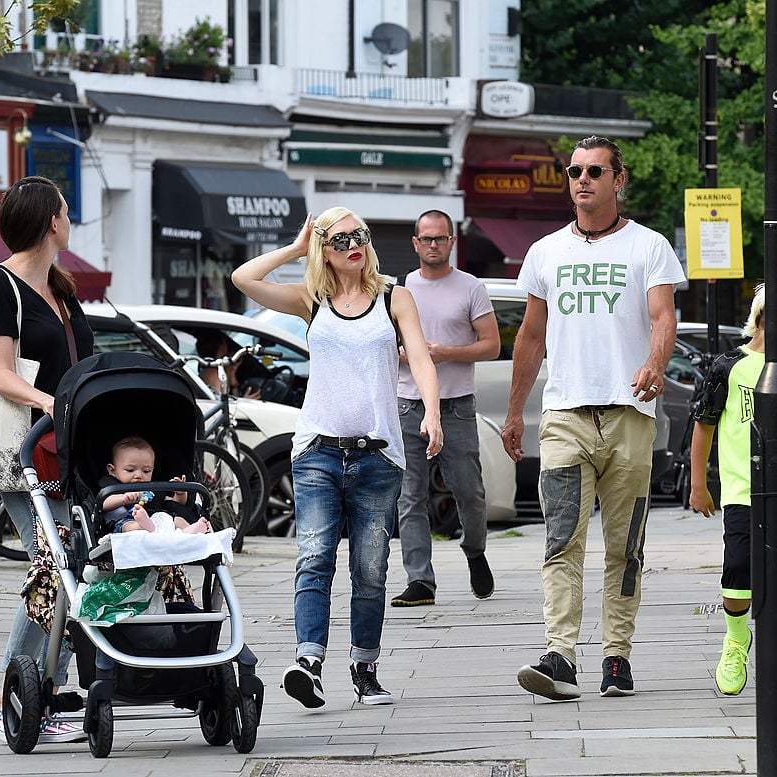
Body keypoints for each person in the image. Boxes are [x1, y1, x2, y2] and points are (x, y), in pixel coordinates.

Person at [231, 206, 443, 708]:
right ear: (323, 248)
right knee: (314, 559)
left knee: (370, 570)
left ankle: (365, 669)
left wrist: (431, 413)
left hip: (378, 456)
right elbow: (243, 278)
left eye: (360, 235)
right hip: (317, 453)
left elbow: (421, 359)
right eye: (341, 238)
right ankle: (309, 663)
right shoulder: (312, 299)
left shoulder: (397, 298)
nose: (354, 244)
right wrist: (296, 243)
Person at [501, 135, 686, 701]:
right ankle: (559, 655)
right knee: (561, 540)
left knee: (624, 546)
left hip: (629, 415)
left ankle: (616, 658)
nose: (582, 179)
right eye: (574, 171)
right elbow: (531, 337)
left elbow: (662, 316)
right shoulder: (545, 251)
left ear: (618, 180)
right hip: (564, 416)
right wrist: (514, 413)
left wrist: (656, 362)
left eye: (595, 171)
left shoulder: (648, 246)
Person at [0, 176, 94, 744]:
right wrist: (55, 403)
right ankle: (12, 699)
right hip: (25, 450)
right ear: (52, 222)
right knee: (55, 562)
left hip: (68, 448)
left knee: (75, 563)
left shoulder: (61, 289)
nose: (70, 220)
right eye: (66, 211)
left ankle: (43, 694)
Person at [689, 283, 777, 698]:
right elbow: (704, 424)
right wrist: (700, 484)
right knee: (737, 574)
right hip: (741, 492)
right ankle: (736, 640)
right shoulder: (727, 367)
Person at [391, 209, 500, 607]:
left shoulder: (470, 287)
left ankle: (474, 551)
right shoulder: (399, 290)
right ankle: (420, 580)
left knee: (469, 492)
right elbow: (383, 344)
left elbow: (491, 344)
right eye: (426, 239)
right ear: (415, 243)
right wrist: (406, 355)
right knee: (409, 496)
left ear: (452, 241)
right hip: (408, 404)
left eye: (441, 238)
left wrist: (446, 353)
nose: (433, 245)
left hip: (456, 406)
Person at [101, 435, 212, 534]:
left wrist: (180, 493)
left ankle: (189, 531)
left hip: (156, 520)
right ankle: (142, 525)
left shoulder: (152, 489)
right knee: (128, 526)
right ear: (112, 470)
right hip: (127, 520)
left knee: (177, 519)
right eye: (130, 470)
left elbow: (173, 503)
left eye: (146, 471)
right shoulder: (112, 487)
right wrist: (123, 498)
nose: (139, 475)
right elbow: (102, 505)